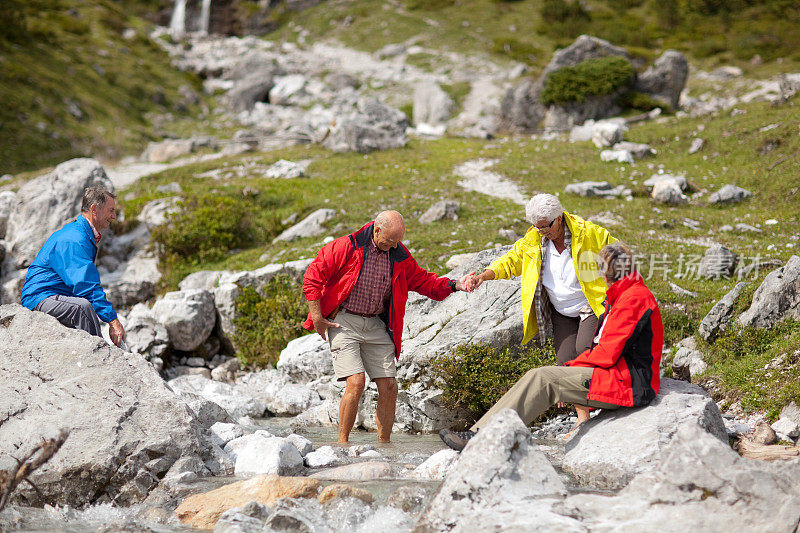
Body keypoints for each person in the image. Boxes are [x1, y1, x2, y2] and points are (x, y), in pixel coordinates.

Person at [440, 242, 663, 451]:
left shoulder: (632, 299)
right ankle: (479, 432)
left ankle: (483, 439)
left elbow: (606, 354)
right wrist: (570, 369)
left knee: (545, 379)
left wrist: (569, 367)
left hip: (630, 384)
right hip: (620, 377)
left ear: (606, 273)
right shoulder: (625, 295)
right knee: (538, 375)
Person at [303, 210, 472, 444]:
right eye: (390, 240)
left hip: (376, 324)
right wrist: (317, 316)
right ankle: (341, 445)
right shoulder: (346, 246)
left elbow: (424, 281)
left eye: (398, 241)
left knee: (390, 386)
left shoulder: (398, 255)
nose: (393, 246)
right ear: (377, 230)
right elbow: (313, 275)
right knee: (356, 383)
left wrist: (455, 285)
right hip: (345, 321)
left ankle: (385, 446)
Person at [464, 193, 616, 425]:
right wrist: (483, 276)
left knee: (584, 352)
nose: (542, 231)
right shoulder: (534, 239)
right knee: (565, 362)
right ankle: (583, 419)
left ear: (559, 218)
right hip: (560, 310)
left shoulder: (589, 234)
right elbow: (510, 261)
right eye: (537, 227)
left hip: (590, 306)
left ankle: (608, 403)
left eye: (545, 226)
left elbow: (618, 255)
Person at [21, 186, 126, 347]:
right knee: (82, 308)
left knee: (83, 305)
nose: (114, 216)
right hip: (39, 297)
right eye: (110, 210)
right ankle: (100, 360)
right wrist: (112, 320)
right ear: (94, 209)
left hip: (51, 295)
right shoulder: (74, 239)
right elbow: (85, 285)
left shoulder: (81, 233)